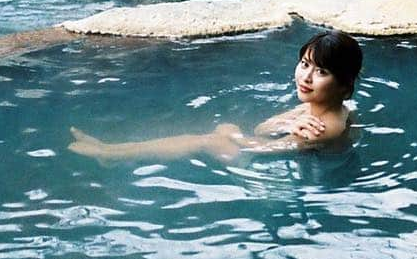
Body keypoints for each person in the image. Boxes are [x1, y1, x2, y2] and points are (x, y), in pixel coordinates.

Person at [68, 30, 363, 163]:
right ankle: (114, 152)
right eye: (304, 64)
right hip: (285, 158)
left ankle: (113, 154)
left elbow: (260, 149)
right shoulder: (332, 107)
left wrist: (232, 136)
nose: (306, 77)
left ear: (343, 84)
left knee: (209, 138)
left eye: (321, 71)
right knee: (218, 134)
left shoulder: (321, 128)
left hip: (272, 176)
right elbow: (264, 129)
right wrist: (287, 126)